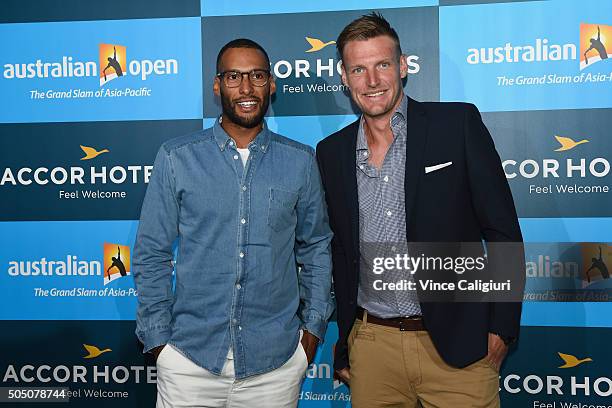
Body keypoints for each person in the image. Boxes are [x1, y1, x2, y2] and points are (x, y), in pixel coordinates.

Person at [316, 13, 524, 407]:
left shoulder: (456, 124)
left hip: (459, 348)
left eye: (382, 65)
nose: (372, 81)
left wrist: (501, 329)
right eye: (359, 69)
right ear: (344, 77)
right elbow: (341, 251)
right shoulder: (331, 152)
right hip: (373, 347)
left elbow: (502, 232)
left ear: (404, 66)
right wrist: (348, 341)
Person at [133, 38, 333, 408]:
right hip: (189, 362)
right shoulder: (177, 158)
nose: (246, 88)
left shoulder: (300, 161)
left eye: (257, 75)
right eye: (233, 76)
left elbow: (317, 248)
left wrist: (311, 336)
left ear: (271, 84)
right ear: (216, 85)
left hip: (275, 365)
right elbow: (151, 252)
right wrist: (159, 342)